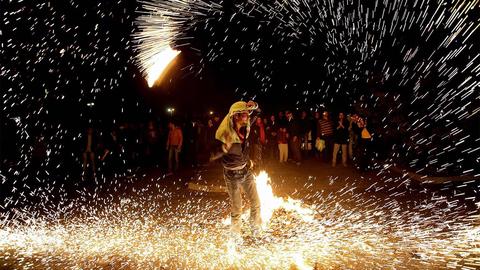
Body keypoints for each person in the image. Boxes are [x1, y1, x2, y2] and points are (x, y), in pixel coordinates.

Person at [210, 100, 262, 239]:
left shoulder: (245, 126)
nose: (248, 116)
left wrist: (254, 105)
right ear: (235, 116)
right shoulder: (224, 133)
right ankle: (235, 237)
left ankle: (256, 231)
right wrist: (224, 148)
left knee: (256, 203)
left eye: (247, 114)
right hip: (232, 175)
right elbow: (211, 155)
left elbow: (257, 112)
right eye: (245, 114)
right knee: (237, 209)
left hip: (246, 171)